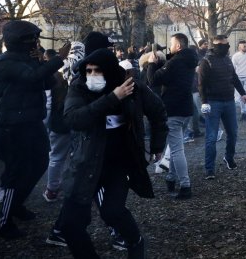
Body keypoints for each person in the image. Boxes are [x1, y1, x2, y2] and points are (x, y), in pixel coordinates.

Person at [57, 48, 167, 259]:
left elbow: (158, 112)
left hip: (119, 162)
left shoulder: (132, 88)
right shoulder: (79, 87)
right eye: (88, 71)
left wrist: (157, 146)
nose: (92, 76)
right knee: (70, 224)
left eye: (97, 71)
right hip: (85, 161)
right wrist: (112, 98)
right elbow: (73, 119)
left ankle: (135, 242)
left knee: (112, 211)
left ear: (109, 71)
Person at [0, 21, 67, 239]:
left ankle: (16, 204)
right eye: (33, 39)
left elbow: (44, 84)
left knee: (39, 164)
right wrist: (58, 59)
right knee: (16, 172)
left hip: (31, 122)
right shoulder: (4, 62)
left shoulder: (27, 60)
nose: (36, 43)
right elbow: (31, 78)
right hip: (11, 126)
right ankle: (4, 222)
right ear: (20, 41)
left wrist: (40, 63)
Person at [146, 33, 199, 199]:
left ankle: (185, 186)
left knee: (176, 150)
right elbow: (170, 63)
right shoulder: (189, 59)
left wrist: (150, 65)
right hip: (186, 108)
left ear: (179, 46)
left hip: (173, 109)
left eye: (171, 44)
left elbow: (153, 80)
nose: (169, 47)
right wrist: (162, 61)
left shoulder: (175, 62)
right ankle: (170, 178)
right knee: (176, 147)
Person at [198, 35, 246, 179]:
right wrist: (204, 102)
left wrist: (243, 93)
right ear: (215, 45)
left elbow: (234, 77)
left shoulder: (227, 60)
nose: (226, 47)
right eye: (223, 44)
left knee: (233, 133)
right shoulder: (206, 61)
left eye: (227, 44)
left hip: (229, 102)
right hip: (213, 103)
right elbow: (201, 84)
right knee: (211, 137)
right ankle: (209, 169)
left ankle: (229, 157)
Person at [43, 49, 70, 203]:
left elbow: (47, 104)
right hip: (76, 119)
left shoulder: (51, 76)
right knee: (77, 156)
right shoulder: (79, 71)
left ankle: (52, 189)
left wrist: (45, 126)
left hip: (59, 121)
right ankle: (76, 186)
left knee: (56, 157)